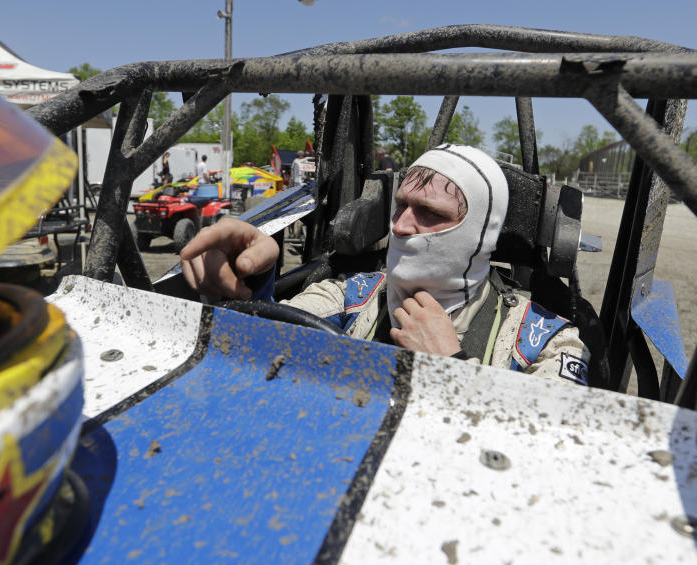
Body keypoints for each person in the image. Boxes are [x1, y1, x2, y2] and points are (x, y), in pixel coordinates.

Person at [180, 144, 590, 385]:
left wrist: (452, 368)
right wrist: (248, 280)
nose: (402, 225)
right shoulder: (349, 297)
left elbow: (551, 461)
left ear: (482, 232)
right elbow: (252, 358)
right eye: (400, 207)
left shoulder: (544, 341)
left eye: (429, 212)